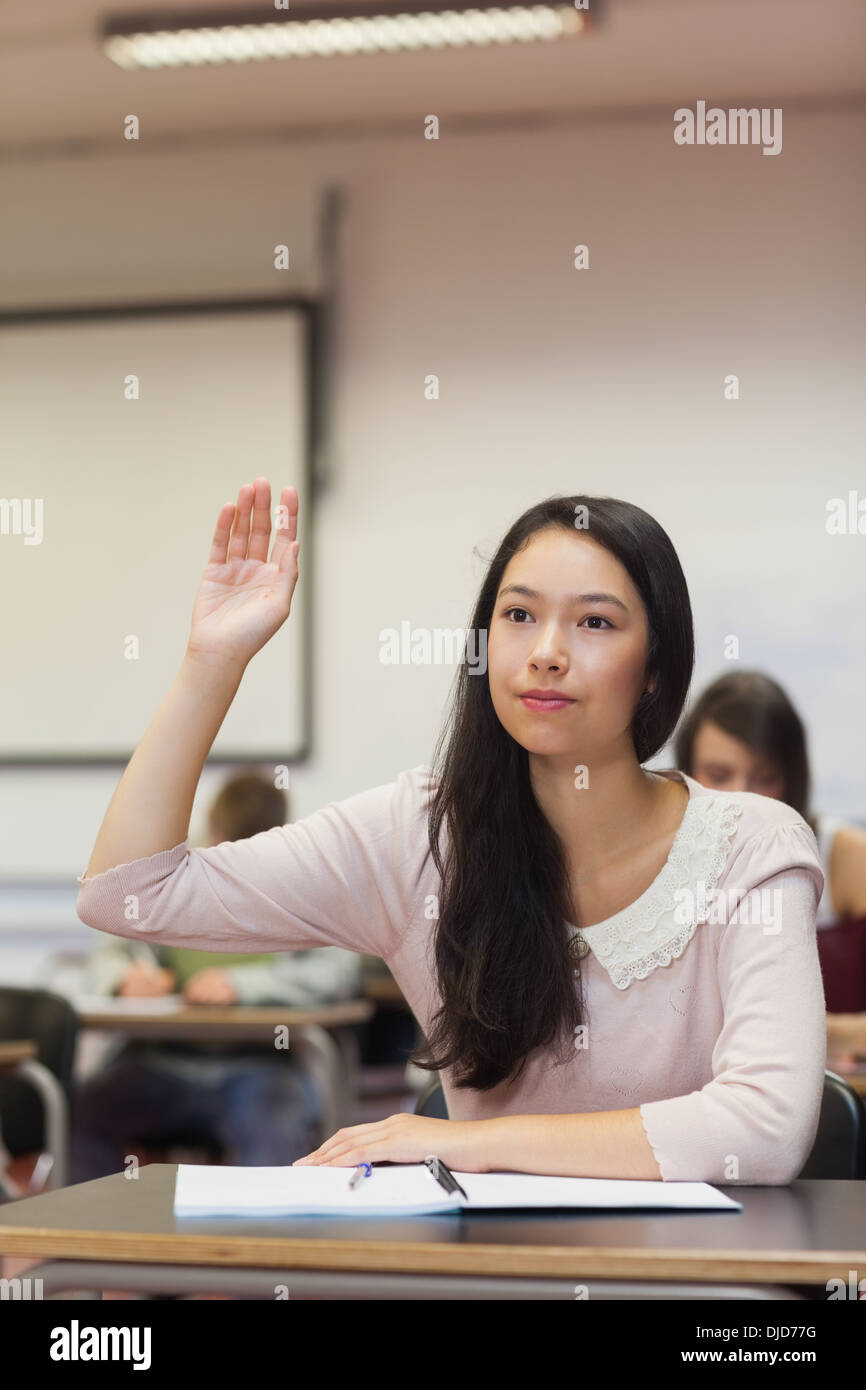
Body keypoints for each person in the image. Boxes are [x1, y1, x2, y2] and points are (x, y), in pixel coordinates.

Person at [76, 481, 827, 1185]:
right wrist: (213, 662)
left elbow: (765, 1127)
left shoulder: (752, 847)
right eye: (519, 615)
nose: (546, 652)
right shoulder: (419, 835)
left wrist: (465, 1143)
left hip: (699, 1285)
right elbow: (129, 897)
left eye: (595, 622)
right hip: (491, 1274)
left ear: (657, 667)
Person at [70, 769, 360, 1182]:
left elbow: (337, 969)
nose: (226, 860)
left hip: (259, 1067)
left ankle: (258, 1245)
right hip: (159, 1062)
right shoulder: (173, 869)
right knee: (85, 1110)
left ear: (273, 840)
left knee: (274, 1122)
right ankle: (85, 1246)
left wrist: (241, 987)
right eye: (221, 845)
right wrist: (124, 979)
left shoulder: (301, 878)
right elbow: (112, 947)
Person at [675, 671, 866, 1064]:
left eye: (765, 778)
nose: (744, 797)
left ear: (792, 779)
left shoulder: (845, 856)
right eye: (719, 775)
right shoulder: (667, 869)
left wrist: (804, 1034)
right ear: (686, 776)